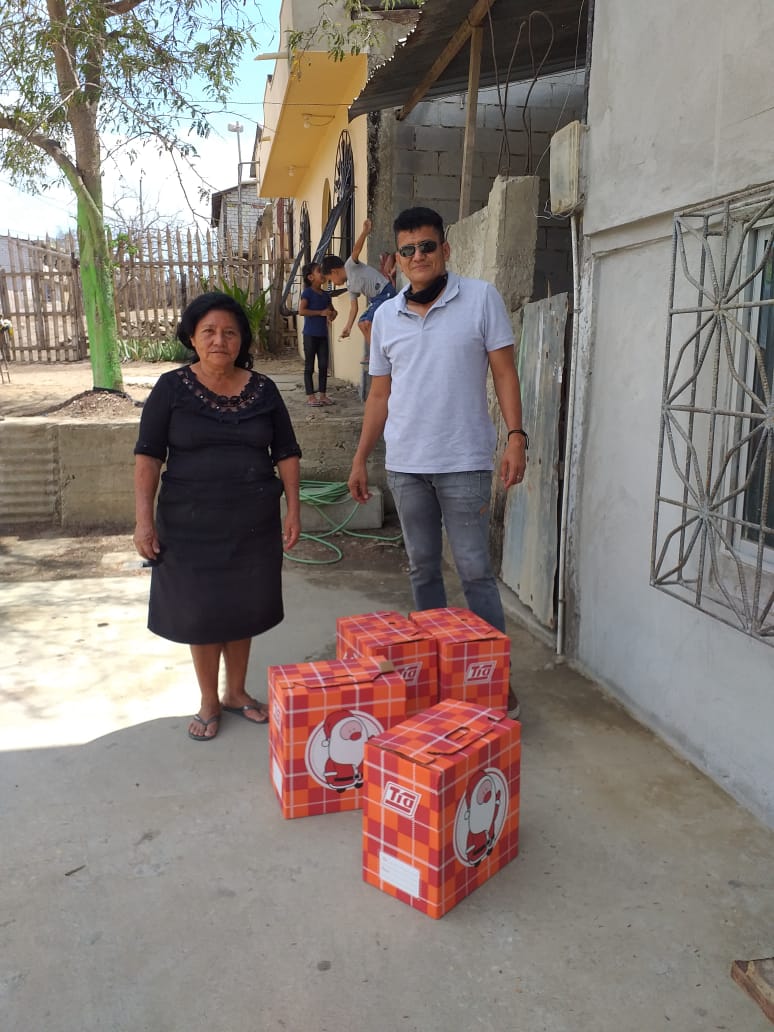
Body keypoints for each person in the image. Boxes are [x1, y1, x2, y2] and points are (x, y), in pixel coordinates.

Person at [347, 207, 527, 717]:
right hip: (406, 466)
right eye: (408, 250)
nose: (418, 256)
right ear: (397, 260)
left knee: (475, 571)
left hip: (465, 461)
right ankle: (438, 673)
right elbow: (379, 395)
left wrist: (516, 437)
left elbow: (505, 373)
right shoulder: (385, 316)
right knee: (423, 569)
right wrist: (361, 458)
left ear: (445, 250)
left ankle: (493, 678)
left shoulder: (481, 299)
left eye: (427, 246)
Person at [133, 291, 302, 741]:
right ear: (192, 337)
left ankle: (236, 692)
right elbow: (148, 456)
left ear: (241, 339)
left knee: (243, 606)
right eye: (208, 331)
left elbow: (286, 452)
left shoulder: (263, 389)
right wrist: (143, 520)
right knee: (201, 611)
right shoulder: (171, 388)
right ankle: (209, 699)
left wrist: (294, 509)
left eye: (229, 332)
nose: (219, 340)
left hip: (253, 521)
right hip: (189, 525)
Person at [321, 219, 397, 348]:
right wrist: (348, 327)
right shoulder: (350, 287)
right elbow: (353, 308)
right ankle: (376, 351)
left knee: (366, 322)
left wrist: (365, 232)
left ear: (334, 272)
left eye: (331, 280)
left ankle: (377, 353)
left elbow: (356, 250)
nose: (334, 283)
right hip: (376, 299)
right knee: (362, 324)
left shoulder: (350, 266)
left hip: (385, 292)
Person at [298, 261, 337, 407]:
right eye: (319, 271)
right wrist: (320, 313)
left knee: (323, 366)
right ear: (311, 277)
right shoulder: (307, 293)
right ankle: (310, 397)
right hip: (310, 335)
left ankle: (323, 395)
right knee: (309, 366)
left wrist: (332, 314)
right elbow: (302, 311)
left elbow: (332, 311)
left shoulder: (326, 295)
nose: (323, 273)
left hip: (323, 335)